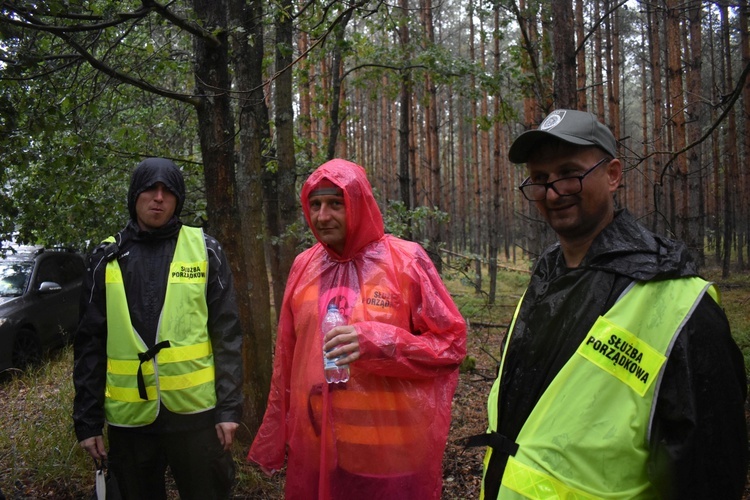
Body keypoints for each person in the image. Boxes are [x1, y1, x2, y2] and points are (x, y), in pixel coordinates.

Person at [472, 109, 748, 499]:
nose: (553, 192)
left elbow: (709, 469)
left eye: (569, 173)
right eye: (539, 179)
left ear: (613, 174)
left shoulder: (680, 303)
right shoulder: (544, 280)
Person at [247, 158, 467, 499]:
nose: (322, 216)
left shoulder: (406, 261)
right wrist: (276, 437)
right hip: (319, 455)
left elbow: (451, 345)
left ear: (359, 203)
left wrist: (380, 342)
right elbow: (286, 362)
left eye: (336, 204)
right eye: (315, 204)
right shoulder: (303, 267)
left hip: (389, 458)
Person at [73, 158, 243, 500]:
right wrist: (88, 421)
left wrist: (228, 409)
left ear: (178, 198)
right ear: (135, 195)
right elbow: (89, 343)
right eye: (151, 189)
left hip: (196, 417)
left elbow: (227, 335)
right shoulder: (106, 256)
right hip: (131, 421)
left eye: (168, 191)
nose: (159, 198)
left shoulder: (205, 250)